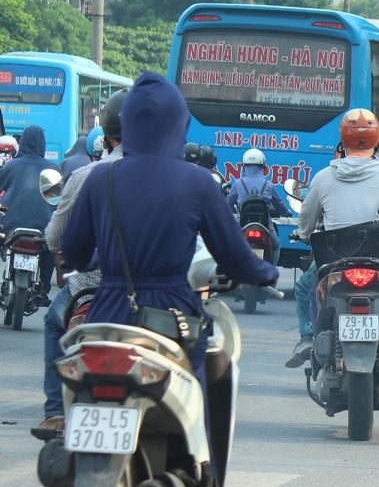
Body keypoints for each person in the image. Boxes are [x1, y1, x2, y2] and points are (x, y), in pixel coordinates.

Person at [61, 73, 278, 424]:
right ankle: (200, 457)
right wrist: (265, 273)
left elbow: (73, 252)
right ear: (180, 124)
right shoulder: (198, 181)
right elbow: (235, 257)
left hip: (108, 313)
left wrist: (100, 259)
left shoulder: (101, 177)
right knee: (197, 393)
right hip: (171, 315)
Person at [290, 108, 379, 366]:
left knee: (309, 289)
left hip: (334, 263)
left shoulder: (322, 178)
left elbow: (306, 220)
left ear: (343, 140)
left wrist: (304, 233)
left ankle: (313, 339)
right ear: (377, 140)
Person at [34, 92, 127, 440]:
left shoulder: (87, 175)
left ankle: (56, 412)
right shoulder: (175, 176)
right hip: (148, 292)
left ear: (106, 135)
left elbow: (55, 238)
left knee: (53, 324)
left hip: (89, 285)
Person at [0, 125, 59, 296]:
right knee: (49, 250)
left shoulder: (11, 166)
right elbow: (57, 202)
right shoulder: (53, 169)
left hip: (10, 226)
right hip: (43, 227)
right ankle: (44, 288)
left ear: (23, 142)